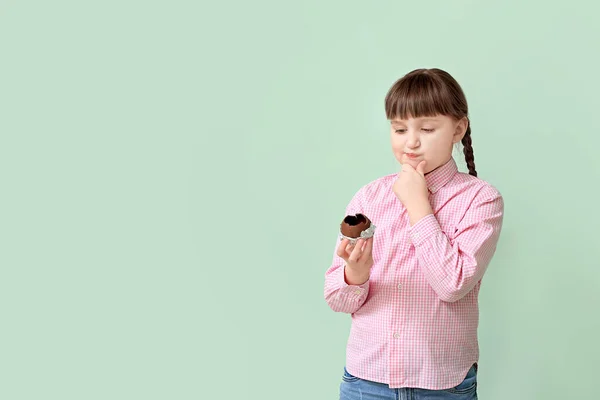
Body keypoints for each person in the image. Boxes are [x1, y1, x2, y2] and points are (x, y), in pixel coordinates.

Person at [324, 68, 504, 400]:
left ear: (458, 128)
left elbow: (452, 285)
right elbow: (336, 297)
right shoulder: (369, 197)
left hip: (442, 383)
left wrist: (418, 204)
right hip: (366, 380)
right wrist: (356, 274)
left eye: (427, 128)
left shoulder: (481, 199)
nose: (411, 141)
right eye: (400, 128)